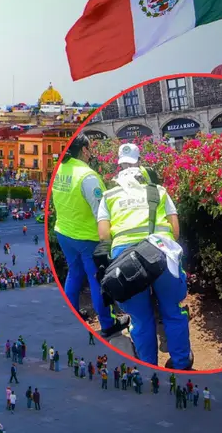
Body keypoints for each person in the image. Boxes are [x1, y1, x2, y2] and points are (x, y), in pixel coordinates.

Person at [95, 166, 193, 370]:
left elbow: (104, 235)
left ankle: (149, 366)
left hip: (126, 262)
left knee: (140, 319)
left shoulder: (109, 196)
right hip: (162, 252)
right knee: (173, 312)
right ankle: (181, 363)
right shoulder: (159, 191)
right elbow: (175, 231)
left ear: (118, 180)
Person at [51, 135, 129, 337]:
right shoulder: (88, 176)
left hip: (64, 233)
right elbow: (101, 211)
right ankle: (108, 324)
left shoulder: (60, 169)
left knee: (74, 274)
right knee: (98, 280)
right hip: (87, 238)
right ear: (84, 150)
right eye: (90, 148)